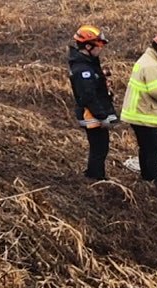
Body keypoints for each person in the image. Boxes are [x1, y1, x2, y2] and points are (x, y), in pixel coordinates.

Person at [120, 33, 157, 185]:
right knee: (154, 151)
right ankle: (155, 183)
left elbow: (151, 87)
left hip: (137, 113)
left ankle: (147, 179)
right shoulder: (152, 66)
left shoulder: (146, 60)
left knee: (145, 148)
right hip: (144, 114)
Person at [67, 25, 118, 180]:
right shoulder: (83, 69)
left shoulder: (89, 63)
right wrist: (102, 116)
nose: (101, 49)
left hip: (96, 112)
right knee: (99, 147)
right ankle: (96, 177)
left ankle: (95, 174)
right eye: (98, 45)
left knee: (101, 147)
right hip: (91, 115)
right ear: (88, 46)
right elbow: (88, 96)